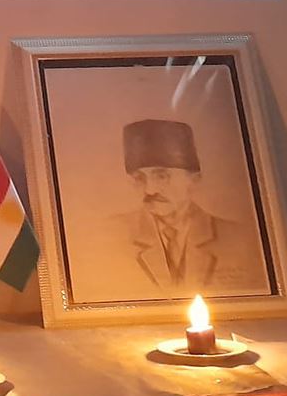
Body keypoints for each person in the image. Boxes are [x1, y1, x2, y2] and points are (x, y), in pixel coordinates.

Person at [110, 119, 266, 292]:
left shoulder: (241, 239)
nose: (150, 190)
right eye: (139, 178)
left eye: (162, 176)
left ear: (194, 179)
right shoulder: (108, 236)